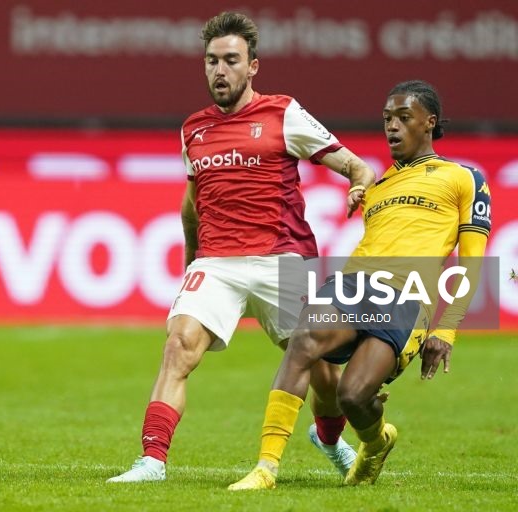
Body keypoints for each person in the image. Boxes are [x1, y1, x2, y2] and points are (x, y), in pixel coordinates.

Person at [107, 11, 375, 483]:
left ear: (253, 66)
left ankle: (329, 438)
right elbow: (192, 204)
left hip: (284, 258)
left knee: (324, 376)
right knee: (178, 346)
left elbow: (357, 167)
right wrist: (193, 255)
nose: (219, 70)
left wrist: (357, 186)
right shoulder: (193, 129)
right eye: (211, 60)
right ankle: (152, 462)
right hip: (218, 261)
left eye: (231, 60)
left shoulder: (284, 113)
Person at [229, 79, 492, 490]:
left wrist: (448, 327)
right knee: (305, 339)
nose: (392, 126)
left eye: (404, 118)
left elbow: (472, 262)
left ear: (430, 123)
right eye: (387, 118)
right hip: (353, 283)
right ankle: (266, 468)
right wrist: (358, 192)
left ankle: (376, 441)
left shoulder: (465, 178)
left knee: (354, 396)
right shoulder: (378, 185)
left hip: (406, 298)